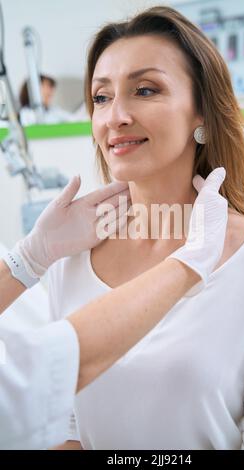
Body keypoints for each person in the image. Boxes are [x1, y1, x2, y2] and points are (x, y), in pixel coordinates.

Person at [48, 5, 244, 450]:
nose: (115, 117)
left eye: (145, 90)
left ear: (201, 113)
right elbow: (62, 421)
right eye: (101, 97)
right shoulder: (70, 254)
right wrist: (28, 260)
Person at [0, 168, 228, 449]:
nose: (115, 121)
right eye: (95, 118)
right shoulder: (72, 264)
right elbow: (52, 385)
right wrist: (191, 263)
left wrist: (26, 259)